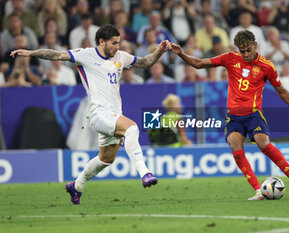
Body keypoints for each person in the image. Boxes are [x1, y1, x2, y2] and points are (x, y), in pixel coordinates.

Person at [11, 24, 172, 204]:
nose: (117, 47)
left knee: (106, 159)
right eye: (113, 43)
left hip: (114, 113)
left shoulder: (120, 57)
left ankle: (76, 186)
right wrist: (31, 53)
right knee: (132, 128)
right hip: (99, 114)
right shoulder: (85, 55)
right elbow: (56, 55)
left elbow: (145, 62)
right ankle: (145, 173)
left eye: (118, 43)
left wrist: (160, 51)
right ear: (101, 41)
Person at [171, 30, 289, 200]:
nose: (245, 54)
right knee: (234, 144)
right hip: (233, 116)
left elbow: (282, 92)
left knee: (263, 143)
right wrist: (181, 53)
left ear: (255, 45)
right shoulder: (230, 58)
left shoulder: (266, 66)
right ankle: (258, 191)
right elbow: (198, 63)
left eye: (248, 49)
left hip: (253, 114)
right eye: (242, 51)